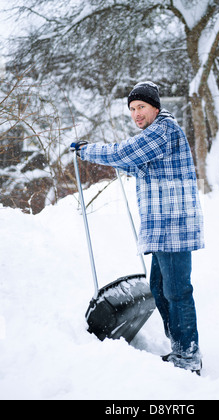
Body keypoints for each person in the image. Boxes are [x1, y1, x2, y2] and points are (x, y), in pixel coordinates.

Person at [70, 81, 205, 375]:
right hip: (162, 228)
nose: (136, 114)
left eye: (141, 107)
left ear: (156, 107)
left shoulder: (163, 130)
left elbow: (125, 152)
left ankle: (187, 356)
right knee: (159, 287)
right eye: (132, 109)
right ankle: (180, 347)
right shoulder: (156, 137)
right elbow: (136, 164)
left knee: (177, 291)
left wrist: (89, 151)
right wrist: (109, 160)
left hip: (173, 226)